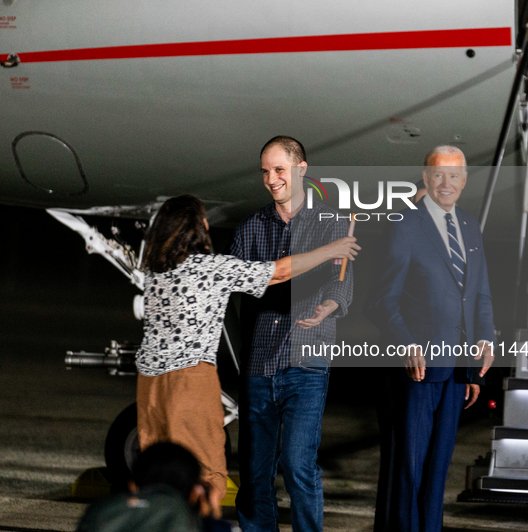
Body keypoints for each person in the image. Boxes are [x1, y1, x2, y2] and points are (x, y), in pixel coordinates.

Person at [134, 195, 359, 515]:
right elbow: (278, 272)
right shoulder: (208, 268)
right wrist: (332, 250)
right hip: (189, 380)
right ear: (198, 227)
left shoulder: (155, 273)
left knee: (156, 476)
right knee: (205, 476)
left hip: (149, 384)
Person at [365, 146, 495, 532]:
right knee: (408, 470)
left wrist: (480, 355)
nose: (446, 183)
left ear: (465, 181)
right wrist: (406, 343)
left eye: (455, 175)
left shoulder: (469, 226)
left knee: (437, 472)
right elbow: (381, 300)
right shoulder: (404, 225)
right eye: (439, 175)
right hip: (417, 370)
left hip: (456, 370)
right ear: (425, 178)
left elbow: (480, 295)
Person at [231, 136, 354, 532]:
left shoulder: (333, 224)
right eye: (265, 171)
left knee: (298, 464)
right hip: (260, 364)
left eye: (279, 169)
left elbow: (342, 283)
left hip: (306, 361)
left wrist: (329, 307)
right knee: (254, 472)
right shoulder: (250, 228)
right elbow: (238, 289)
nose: (271, 179)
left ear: (301, 169)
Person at [76, 442, 223, 532]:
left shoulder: (100, 511)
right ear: (195, 493)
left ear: (132, 486)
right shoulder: (202, 526)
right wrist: (213, 515)